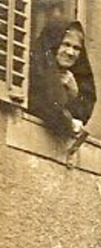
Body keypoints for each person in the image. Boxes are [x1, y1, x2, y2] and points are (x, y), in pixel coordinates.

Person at [28, 20, 95, 150]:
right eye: (65, 44)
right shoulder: (34, 69)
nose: (70, 53)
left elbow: (83, 111)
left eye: (76, 48)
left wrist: (74, 93)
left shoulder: (74, 80)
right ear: (53, 44)